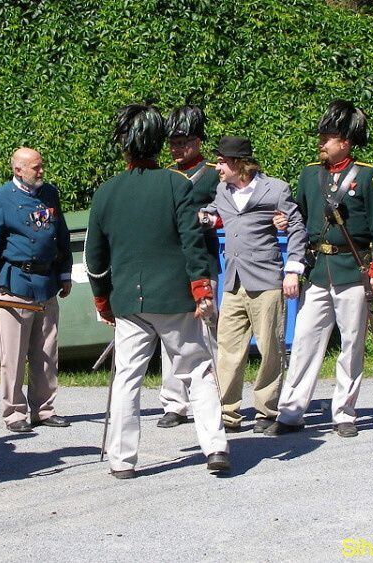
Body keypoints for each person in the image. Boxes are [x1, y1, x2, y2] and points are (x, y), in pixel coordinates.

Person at [84, 103, 229, 479]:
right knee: (197, 369)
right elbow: (192, 242)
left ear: (125, 146)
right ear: (158, 144)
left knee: (127, 378)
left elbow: (95, 259)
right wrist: (202, 290)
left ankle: (122, 459)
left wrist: (102, 300)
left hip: (128, 301)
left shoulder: (106, 192)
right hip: (175, 299)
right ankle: (215, 446)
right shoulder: (177, 184)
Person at [265, 100, 373, 438]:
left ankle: (344, 413)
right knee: (304, 341)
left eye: (328, 138)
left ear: (346, 142)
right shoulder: (310, 173)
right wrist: (284, 219)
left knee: (351, 345)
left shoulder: (368, 176)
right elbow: (299, 214)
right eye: (321, 137)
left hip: (353, 270)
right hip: (319, 270)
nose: (321, 143)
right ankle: (291, 413)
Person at [199, 136, 307, 432]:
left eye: (221, 162)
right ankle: (227, 413)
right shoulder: (222, 190)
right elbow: (213, 214)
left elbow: (296, 227)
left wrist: (293, 270)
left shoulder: (276, 189)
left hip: (266, 279)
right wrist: (200, 217)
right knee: (228, 348)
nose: (217, 167)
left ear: (237, 163)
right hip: (233, 282)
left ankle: (266, 411)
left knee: (271, 348)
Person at [0, 147, 73, 433]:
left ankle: (44, 409)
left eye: (41, 165)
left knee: (46, 352)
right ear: (18, 170)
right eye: (35, 167)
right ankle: (14, 412)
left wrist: (65, 274)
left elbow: (62, 235)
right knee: (14, 355)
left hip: (47, 283)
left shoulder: (50, 193)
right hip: (16, 285)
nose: (41, 171)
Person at [156, 105, 220, 429]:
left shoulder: (213, 174)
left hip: (203, 260)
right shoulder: (166, 176)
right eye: (173, 143)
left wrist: (204, 219)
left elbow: (227, 213)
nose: (176, 149)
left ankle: (214, 396)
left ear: (197, 142)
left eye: (182, 143)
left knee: (208, 331)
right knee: (170, 335)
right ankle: (174, 403)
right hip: (172, 264)